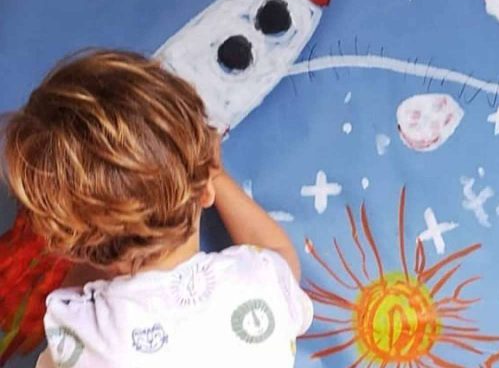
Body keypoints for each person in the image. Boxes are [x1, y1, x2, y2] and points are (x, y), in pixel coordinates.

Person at [1, 49, 312, 367]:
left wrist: (94, 234)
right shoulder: (260, 282)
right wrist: (214, 175)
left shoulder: (80, 328)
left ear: (71, 243)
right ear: (204, 190)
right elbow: (280, 254)